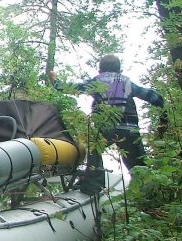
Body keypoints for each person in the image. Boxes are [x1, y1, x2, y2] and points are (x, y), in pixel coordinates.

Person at [49, 54, 165, 193]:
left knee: (95, 149)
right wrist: (163, 108)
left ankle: (93, 185)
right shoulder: (127, 82)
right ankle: (148, 192)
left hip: (104, 128)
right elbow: (152, 96)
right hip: (129, 130)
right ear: (119, 70)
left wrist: (54, 80)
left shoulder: (97, 81)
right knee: (138, 164)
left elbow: (70, 88)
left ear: (100, 70)